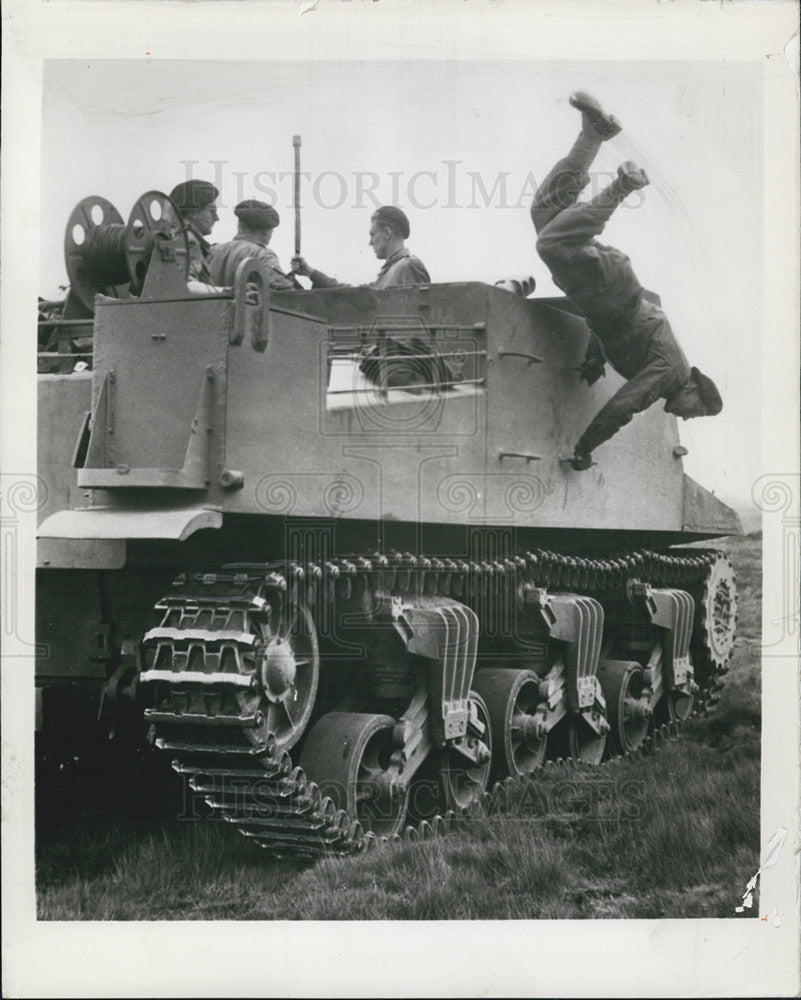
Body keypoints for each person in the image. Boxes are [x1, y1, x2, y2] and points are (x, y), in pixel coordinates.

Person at [532, 91, 723, 471]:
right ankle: (625, 185)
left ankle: (594, 134)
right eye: (695, 413)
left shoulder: (666, 374)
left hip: (609, 295)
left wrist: (592, 357)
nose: (685, 418)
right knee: (552, 244)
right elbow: (623, 406)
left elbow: (611, 333)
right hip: (612, 291)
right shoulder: (669, 373)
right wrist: (585, 447)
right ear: (693, 390)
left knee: (546, 211)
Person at [290, 205, 430, 289]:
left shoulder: (409, 267)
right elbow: (354, 294)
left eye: (373, 235)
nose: (370, 242)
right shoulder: (391, 271)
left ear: (387, 233)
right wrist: (310, 272)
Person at [208, 200, 299, 290]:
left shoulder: (211, 250)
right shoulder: (262, 254)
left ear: (239, 226)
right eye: (272, 231)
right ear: (265, 232)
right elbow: (287, 292)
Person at [169, 179, 228, 294]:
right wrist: (227, 291)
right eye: (212, 211)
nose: (216, 218)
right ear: (193, 213)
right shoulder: (187, 240)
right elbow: (185, 284)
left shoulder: (173, 236)